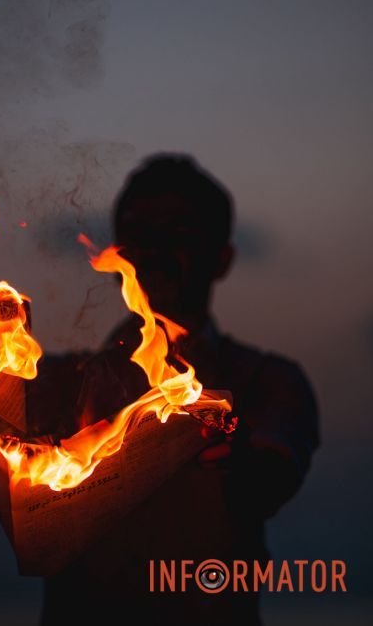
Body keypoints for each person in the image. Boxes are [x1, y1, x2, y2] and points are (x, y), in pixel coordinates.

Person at [38, 155, 320, 624]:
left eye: (179, 232)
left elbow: (268, 482)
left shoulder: (268, 382)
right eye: (138, 234)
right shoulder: (58, 385)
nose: (154, 249)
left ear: (222, 259)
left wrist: (235, 451)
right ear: (115, 258)